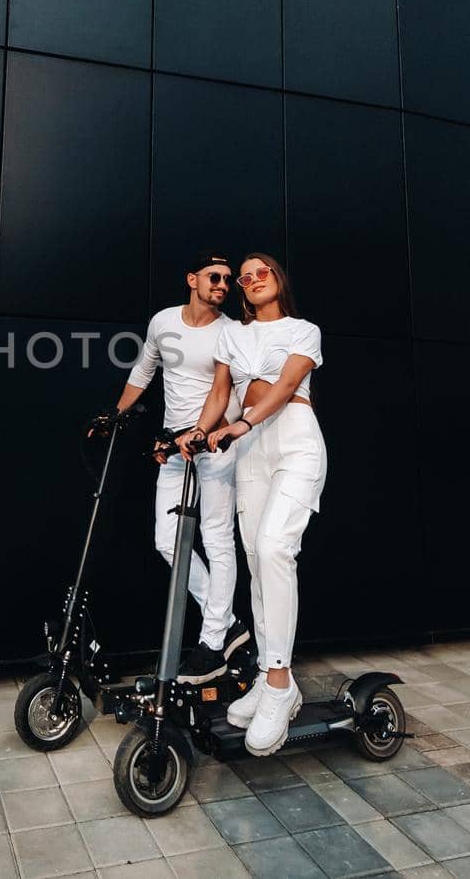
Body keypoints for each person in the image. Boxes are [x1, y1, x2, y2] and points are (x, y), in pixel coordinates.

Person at [178, 253, 326, 755]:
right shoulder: (233, 335)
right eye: (245, 277)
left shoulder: (304, 330)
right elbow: (222, 392)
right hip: (251, 456)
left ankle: (281, 685)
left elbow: (285, 388)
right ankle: (268, 675)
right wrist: (199, 431)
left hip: (294, 441)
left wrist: (238, 425)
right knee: (257, 565)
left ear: (277, 278)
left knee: (273, 550)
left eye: (261, 271)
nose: (252, 279)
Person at [95, 250, 250, 685]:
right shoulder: (163, 322)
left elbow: (228, 393)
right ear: (192, 279)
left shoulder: (231, 331)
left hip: (215, 441)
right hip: (173, 444)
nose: (221, 284)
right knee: (168, 541)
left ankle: (213, 641)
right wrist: (115, 415)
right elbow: (143, 371)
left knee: (217, 538)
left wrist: (205, 432)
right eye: (214, 277)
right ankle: (231, 623)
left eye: (227, 280)